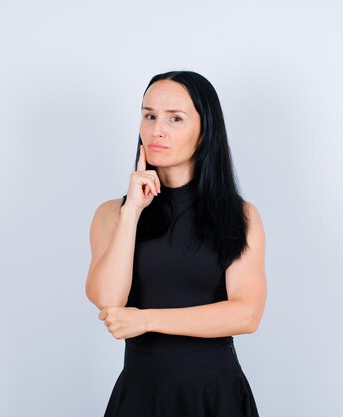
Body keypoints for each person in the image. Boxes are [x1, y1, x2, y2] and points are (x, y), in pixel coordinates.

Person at [85, 70, 267, 417]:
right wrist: (132, 212)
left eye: (175, 118)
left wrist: (147, 320)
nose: (157, 130)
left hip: (215, 395)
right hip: (141, 395)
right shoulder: (113, 214)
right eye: (149, 115)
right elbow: (109, 300)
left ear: (205, 130)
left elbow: (246, 314)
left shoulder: (239, 215)